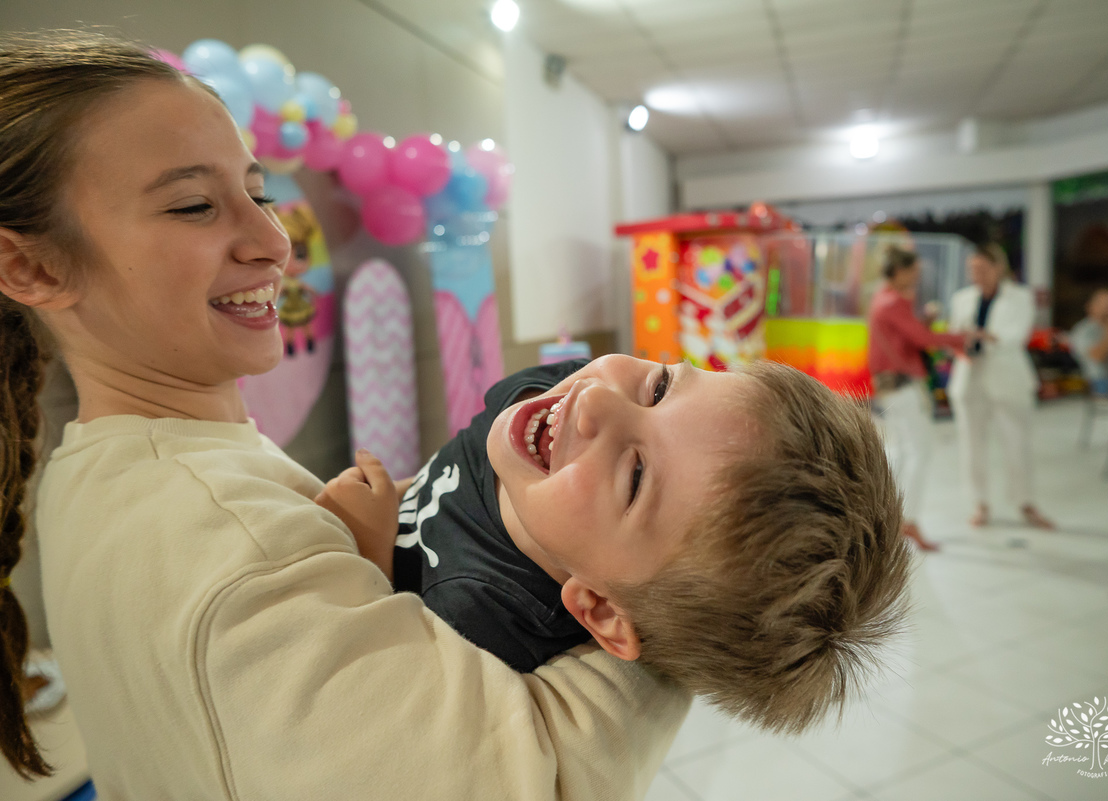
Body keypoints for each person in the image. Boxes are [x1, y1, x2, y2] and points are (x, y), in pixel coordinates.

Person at [0, 33, 691, 796]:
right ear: (32, 266)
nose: (272, 241)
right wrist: (692, 579)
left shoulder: (91, 465)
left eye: (258, 193)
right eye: (195, 205)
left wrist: (372, 573)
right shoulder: (247, 543)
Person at [317, 354, 913, 734]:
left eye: (634, 477)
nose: (596, 397)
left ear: (600, 610)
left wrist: (368, 554)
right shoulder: (543, 399)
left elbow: (369, 694)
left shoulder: (478, 623)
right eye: (659, 387)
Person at [867, 246, 970, 552]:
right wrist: (963, 337)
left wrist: (922, 317)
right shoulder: (893, 302)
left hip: (889, 385)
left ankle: (892, 516)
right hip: (902, 384)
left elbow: (906, 337)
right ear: (899, 272)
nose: (915, 279)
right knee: (919, 450)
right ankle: (907, 519)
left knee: (900, 449)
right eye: (912, 273)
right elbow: (922, 340)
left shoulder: (881, 298)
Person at [947, 244, 1054, 529]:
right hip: (970, 380)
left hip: (1008, 379)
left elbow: (1014, 336)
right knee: (971, 446)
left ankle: (1025, 502)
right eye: (972, 270)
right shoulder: (962, 298)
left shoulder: (1020, 297)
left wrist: (981, 336)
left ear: (998, 268)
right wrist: (959, 343)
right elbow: (955, 335)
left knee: (1017, 444)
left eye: (982, 269)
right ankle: (979, 503)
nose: (976, 275)